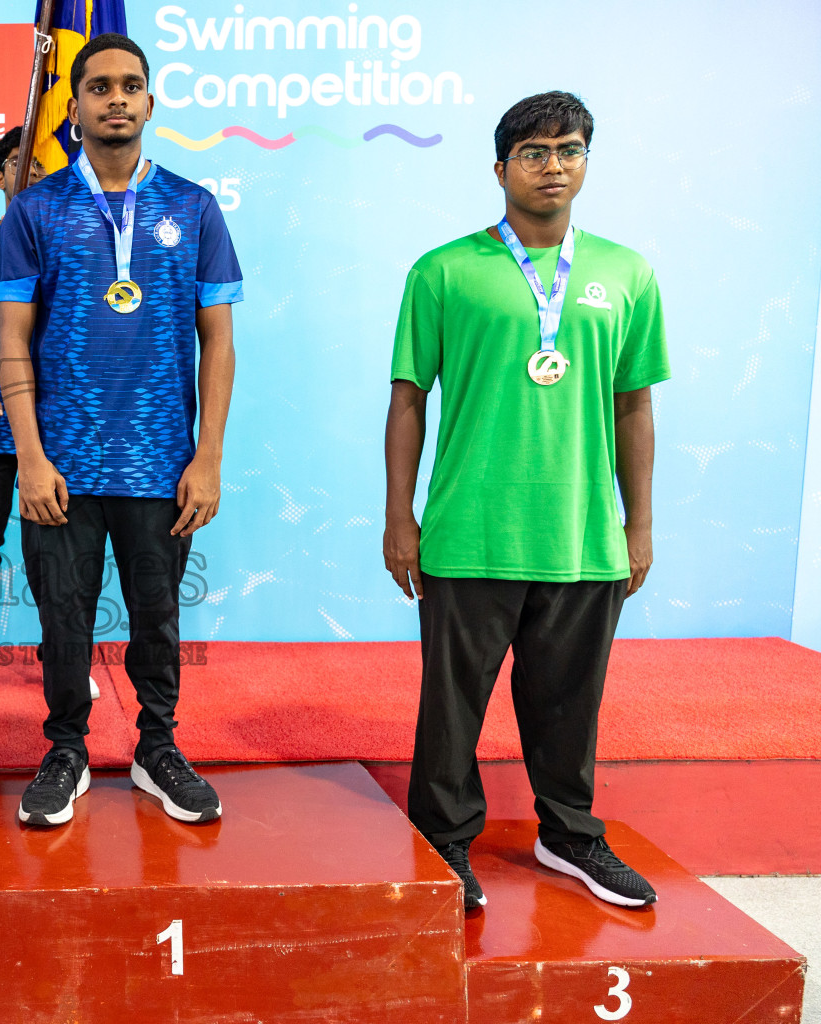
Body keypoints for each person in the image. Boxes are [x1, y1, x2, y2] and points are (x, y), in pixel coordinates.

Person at [383, 91, 669, 911]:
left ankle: (569, 834)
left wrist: (637, 525)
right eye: (536, 152)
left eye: (570, 149)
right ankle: (442, 842)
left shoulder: (626, 273)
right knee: (451, 709)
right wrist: (401, 518)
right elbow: (409, 400)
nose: (554, 165)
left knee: (570, 707)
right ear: (501, 167)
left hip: (583, 537)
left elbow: (634, 406)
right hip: (470, 531)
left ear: (586, 163)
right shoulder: (444, 271)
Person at [0, 34, 242, 827]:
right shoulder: (34, 211)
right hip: (60, 461)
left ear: (150, 101)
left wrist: (207, 457)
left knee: (157, 618)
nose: (116, 98)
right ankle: (65, 749)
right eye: (98, 86)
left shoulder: (194, 206)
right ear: (73, 107)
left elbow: (220, 340)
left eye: (131, 85)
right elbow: (9, 339)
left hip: (160, 461)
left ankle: (156, 748)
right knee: (62, 620)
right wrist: (29, 455)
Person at [0, 127, 102, 704]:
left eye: (40, 166)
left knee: (59, 548)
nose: (28, 175)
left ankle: (66, 656)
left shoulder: (80, 245)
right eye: (17, 164)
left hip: (56, 429)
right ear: (0, 174)